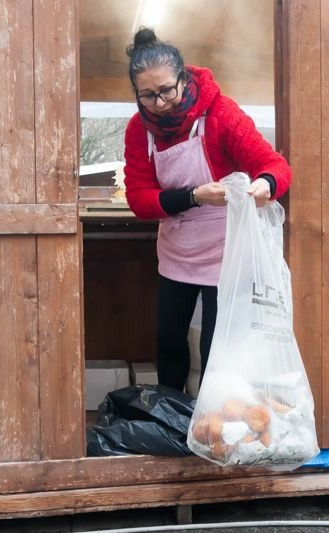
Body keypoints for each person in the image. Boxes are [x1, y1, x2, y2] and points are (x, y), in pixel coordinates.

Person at [123, 27, 292, 393]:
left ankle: (213, 427)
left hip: (226, 255)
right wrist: (194, 196)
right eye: (147, 95)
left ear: (183, 79)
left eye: (166, 90)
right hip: (177, 253)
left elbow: (276, 165)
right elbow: (139, 199)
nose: (160, 103)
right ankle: (172, 419)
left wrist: (266, 183)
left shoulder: (220, 114)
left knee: (216, 348)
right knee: (169, 343)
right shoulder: (140, 130)